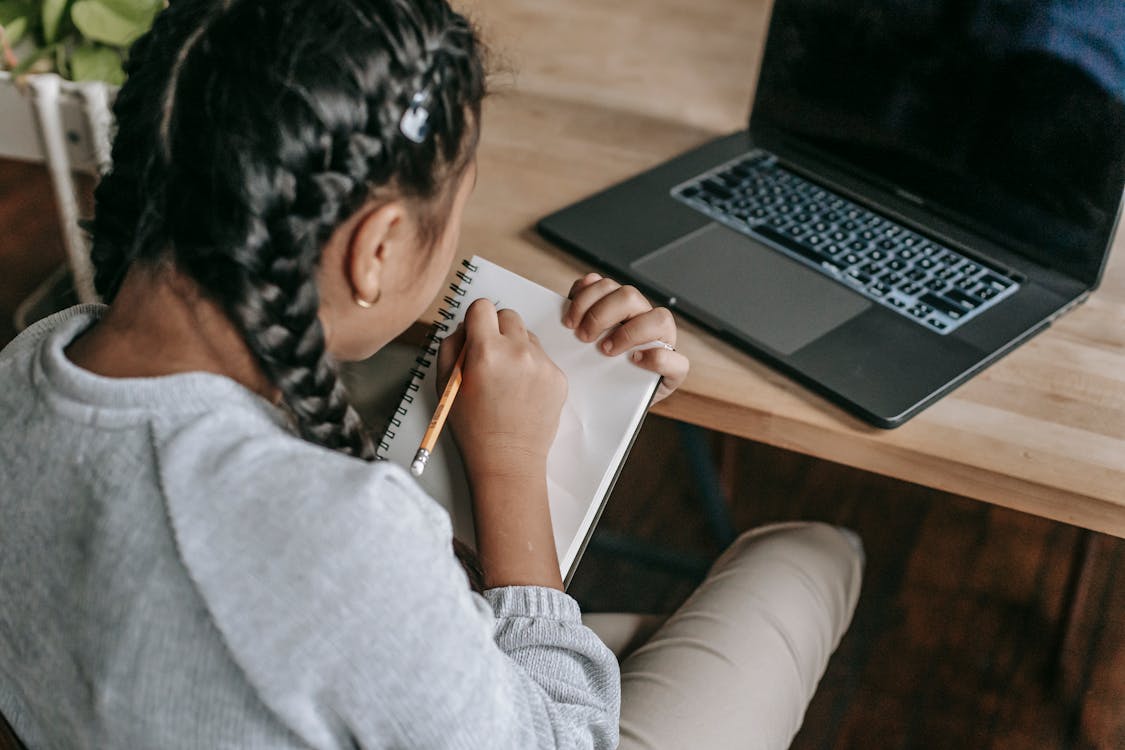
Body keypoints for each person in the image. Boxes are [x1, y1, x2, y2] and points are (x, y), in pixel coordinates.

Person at [0, 0, 862, 747]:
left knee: (638, 639)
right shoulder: (341, 540)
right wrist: (512, 469)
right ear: (374, 249)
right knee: (809, 556)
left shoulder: (32, 365)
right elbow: (567, 736)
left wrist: (593, 384)